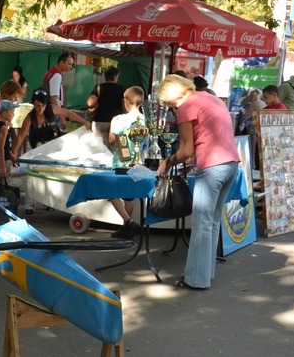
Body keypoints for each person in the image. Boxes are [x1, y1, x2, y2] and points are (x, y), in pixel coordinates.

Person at [157, 74, 240, 290]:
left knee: (202, 224)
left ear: (173, 96)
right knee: (212, 223)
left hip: (212, 166)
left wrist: (168, 161)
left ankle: (195, 279)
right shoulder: (209, 98)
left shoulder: (187, 106)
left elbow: (185, 150)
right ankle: (206, 273)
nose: (172, 108)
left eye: (170, 103)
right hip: (231, 163)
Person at [105, 86, 146, 239]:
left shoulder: (119, 119)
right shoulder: (145, 119)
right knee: (129, 197)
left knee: (111, 193)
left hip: (122, 162)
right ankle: (126, 228)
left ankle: (128, 222)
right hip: (139, 162)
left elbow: (111, 139)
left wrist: (113, 125)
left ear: (125, 101)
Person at [12, 88, 90, 153]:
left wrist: (84, 122)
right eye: (38, 105)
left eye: (43, 105)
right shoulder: (29, 119)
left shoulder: (52, 109)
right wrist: (13, 153)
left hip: (55, 145)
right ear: (33, 104)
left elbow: (68, 113)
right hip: (38, 148)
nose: (40, 108)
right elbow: (21, 137)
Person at [86, 66, 125, 146]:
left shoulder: (99, 87)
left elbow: (90, 103)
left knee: (99, 147)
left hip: (100, 122)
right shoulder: (121, 89)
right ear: (115, 77)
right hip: (117, 122)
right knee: (114, 148)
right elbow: (124, 106)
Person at [0, 100, 20, 187]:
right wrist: (3, 167)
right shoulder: (3, 128)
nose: (13, 115)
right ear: (4, 113)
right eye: (11, 112)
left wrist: (10, 154)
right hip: (2, 161)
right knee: (2, 189)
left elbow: (4, 145)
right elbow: (0, 147)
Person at [42, 52, 75, 129]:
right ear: (61, 62)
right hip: (53, 113)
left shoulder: (50, 72)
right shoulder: (56, 75)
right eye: (69, 64)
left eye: (71, 64)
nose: (71, 67)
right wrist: (62, 118)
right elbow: (54, 98)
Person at [243, 88, 267, 169]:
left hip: (254, 129)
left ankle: (252, 166)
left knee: (252, 149)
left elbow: (246, 116)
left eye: (252, 95)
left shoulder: (253, 104)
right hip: (261, 129)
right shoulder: (263, 103)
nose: (251, 96)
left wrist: (243, 113)